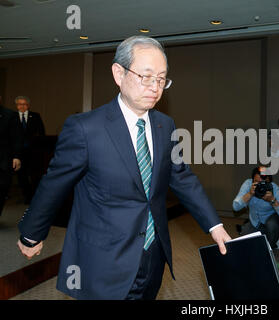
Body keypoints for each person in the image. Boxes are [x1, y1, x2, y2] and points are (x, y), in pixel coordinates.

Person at [17, 36, 231, 300]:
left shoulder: (165, 125)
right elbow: (54, 184)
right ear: (119, 73)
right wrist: (31, 234)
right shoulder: (85, 128)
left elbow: (181, 176)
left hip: (154, 255)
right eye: (146, 76)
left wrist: (215, 226)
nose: (155, 87)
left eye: (162, 79)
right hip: (104, 260)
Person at [233, 166, 279, 249]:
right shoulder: (248, 185)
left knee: (271, 226)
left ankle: (272, 243)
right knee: (245, 243)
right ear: (252, 180)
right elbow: (235, 207)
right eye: (257, 182)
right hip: (255, 222)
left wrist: (273, 200)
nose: (260, 186)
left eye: (263, 183)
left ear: (269, 182)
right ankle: (271, 237)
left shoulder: (275, 189)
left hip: (272, 220)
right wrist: (249, 194)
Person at [15, 96, 46, 204]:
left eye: (24, 104)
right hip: (18, 152)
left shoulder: (35, 116)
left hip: (33, 151)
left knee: (34, 175)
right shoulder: (12, 117)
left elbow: (42, 132)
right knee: (21, 175)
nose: (22, 106)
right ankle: (27, 197)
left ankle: (35, 196)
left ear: (28, 105)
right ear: (16, 106)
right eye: (19, 104)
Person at [0, 96, 22, 216]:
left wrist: (16, 156)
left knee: (2, 188)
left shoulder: (10, 115)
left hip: (3, 158)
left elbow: (17, 138)